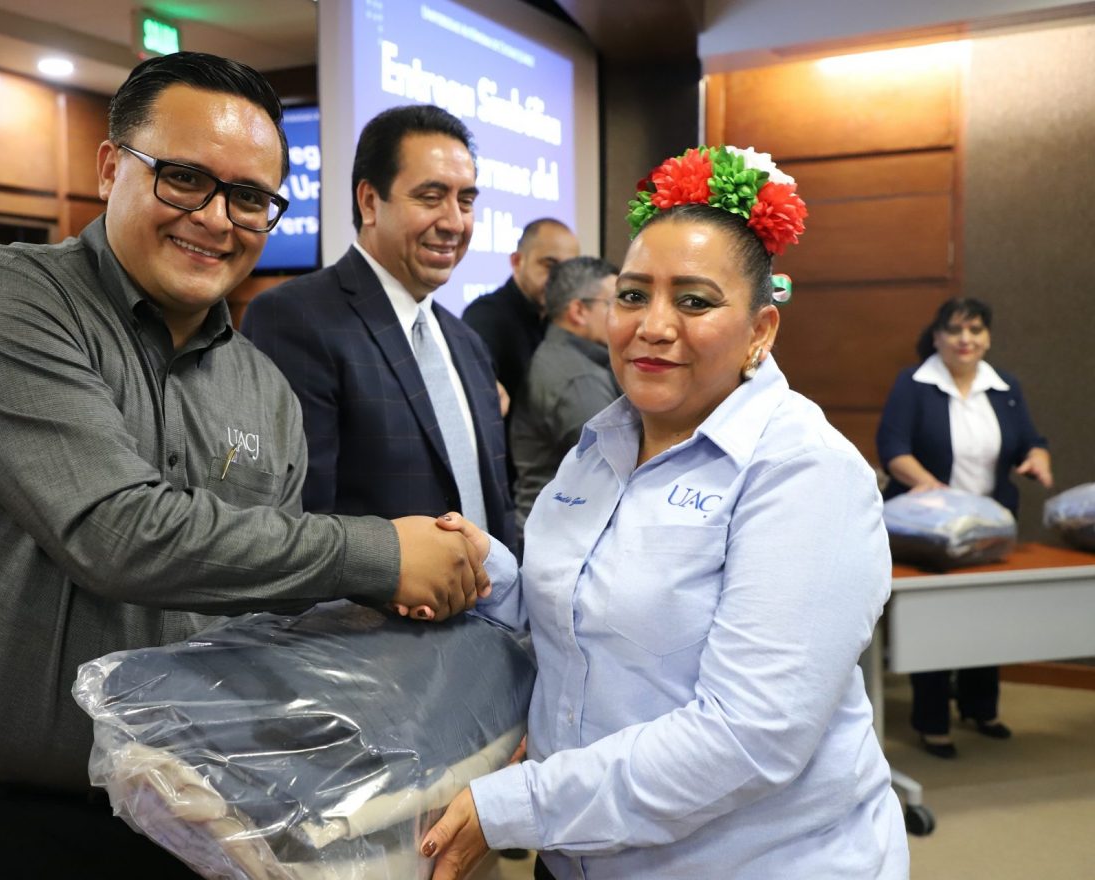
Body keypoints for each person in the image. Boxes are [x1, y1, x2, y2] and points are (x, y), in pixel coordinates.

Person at [0, 53, 486, 878]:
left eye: (248, 197)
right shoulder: (3, 300)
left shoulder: (264, 390)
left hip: (177, 818)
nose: (216, 219)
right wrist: (382, 554)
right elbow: (115, 531)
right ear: (111, 167)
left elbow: (261, 603)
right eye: (184, 179)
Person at [420, 146, 909, 879]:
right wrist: (488, 570)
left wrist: (518, 806)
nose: (653, 325)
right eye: (633, 295)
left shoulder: (804, 472)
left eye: (695, 301)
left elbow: (750, 737)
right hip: (580, 853)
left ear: (761, 332)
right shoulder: (598, 449)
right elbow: (581, 618)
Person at [242, 104, 515, 547]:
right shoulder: (296, 318)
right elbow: (298, 526)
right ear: (369, 201)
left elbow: (495, 504)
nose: (454, 222)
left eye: (465, 201)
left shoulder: (468, 343)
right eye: (430, 197)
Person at [876, 296, 1052, 758]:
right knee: (938, 620)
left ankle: (980, 708)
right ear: (937, 337)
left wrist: (1037, 458)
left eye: (975, 330)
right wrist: (937, 493)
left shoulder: (1004, 387)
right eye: (954, 330)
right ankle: (932, 720)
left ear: (987, 338)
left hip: (989, 529)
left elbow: (1030, 441)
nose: (965, 339)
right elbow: (893, 449)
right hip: (930, 529)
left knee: (987, 615)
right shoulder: (914, 384)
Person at [510, 256, 620, 540]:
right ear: (579, 311)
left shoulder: (562, 355)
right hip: (561, 536)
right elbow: (615, 468)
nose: (626, 315)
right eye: (615, 303)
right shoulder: (578, 378)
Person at [462, 218, 580, 410]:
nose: (561, 278)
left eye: (569, 269)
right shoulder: (486, 316)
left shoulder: (561, 317)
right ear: (517, 261)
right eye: (550, 265)